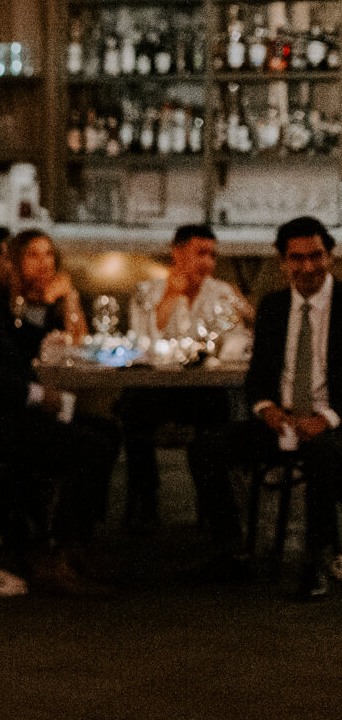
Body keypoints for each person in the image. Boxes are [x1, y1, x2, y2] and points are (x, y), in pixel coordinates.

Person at [0, 221, 121, 595]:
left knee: (106, 431)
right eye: (3, 259)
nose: (9, 268)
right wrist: (37, 396)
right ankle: (54, 554)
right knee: (91, 446)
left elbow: (22, 341)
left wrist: (51, 306)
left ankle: (75, 543)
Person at [194, 216, 342, 598]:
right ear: (282, 260)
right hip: (282, 420)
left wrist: (325, 418)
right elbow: (257, 377)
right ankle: (230, 548)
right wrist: (266, 409)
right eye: (297, 258)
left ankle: (319, 558)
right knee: (205, 448)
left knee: (324, 455)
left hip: (333, 422)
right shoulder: (274, 307)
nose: (307, 267)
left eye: (316, 256)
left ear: (330, 255)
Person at [117, 224, 251, 531]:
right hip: (155, 388)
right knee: (133, 410)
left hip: (203, 390)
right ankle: (144, 500)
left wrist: (245, 313)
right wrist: (171, 296)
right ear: (177, 253)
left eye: (213, 255)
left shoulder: (221, 292)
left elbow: (239, 340)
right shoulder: (146, 291)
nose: (208, 262)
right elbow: (141, 343)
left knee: (220, 412)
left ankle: (214, 506)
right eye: (200, 253)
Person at [7, 229, 86, 362]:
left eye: (49, 254)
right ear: (17, 260)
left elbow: (80, 346)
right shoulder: (7, 299)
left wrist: (70, 298)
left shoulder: (61, 298)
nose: (44, 262)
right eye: (33, 254)